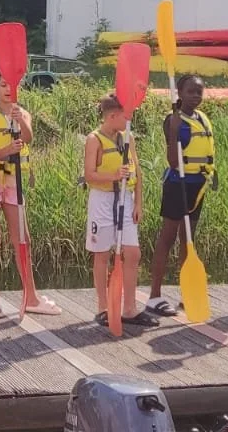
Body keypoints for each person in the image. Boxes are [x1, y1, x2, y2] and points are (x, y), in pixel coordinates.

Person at [0, 72, 61, 318]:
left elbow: (29, 137)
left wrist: (20, 120)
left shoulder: (23, 112)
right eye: (3, 85)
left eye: (12, 85)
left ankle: (30, 296)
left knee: (23, 237)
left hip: (14, 180)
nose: (8, 90)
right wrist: (7, 149)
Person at [144, 74, 214, 316]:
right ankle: (154, 295)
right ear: (180, 94)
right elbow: (173, 161)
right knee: (168, 238)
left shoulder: (202, 119)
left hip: (198, 185)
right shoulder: (173, 121)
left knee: (189, 240)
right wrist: (173, 134)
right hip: (177, 184)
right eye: (191, 91)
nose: (196, 96)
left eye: (199, 92)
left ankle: (187, 292)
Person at [85, 94, 155, 328]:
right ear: (113, 116)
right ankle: (103, 308)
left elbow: (138, 172)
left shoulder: (128, 138)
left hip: (126, 198)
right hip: (102, 200)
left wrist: (138, 203)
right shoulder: (94, 140)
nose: (130, 118)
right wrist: (113, 176)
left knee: (133, 253)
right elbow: (89, 175)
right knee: (102, 254)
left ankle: (129, 309)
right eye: (126, 115)